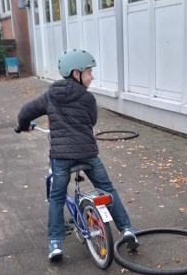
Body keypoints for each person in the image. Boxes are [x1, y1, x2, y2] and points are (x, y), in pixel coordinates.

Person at [17, 49, 138, 260]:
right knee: (107, 188)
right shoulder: (88, 98)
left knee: (56, 196)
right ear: (76, 73)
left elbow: (26, 111)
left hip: (62, 157)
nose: (92, 76)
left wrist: (23, 126)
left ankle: (55, 243)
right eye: (89, 72)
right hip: (88, 155)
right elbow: (91, 121)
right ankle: (126, 229)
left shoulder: (50, 95)